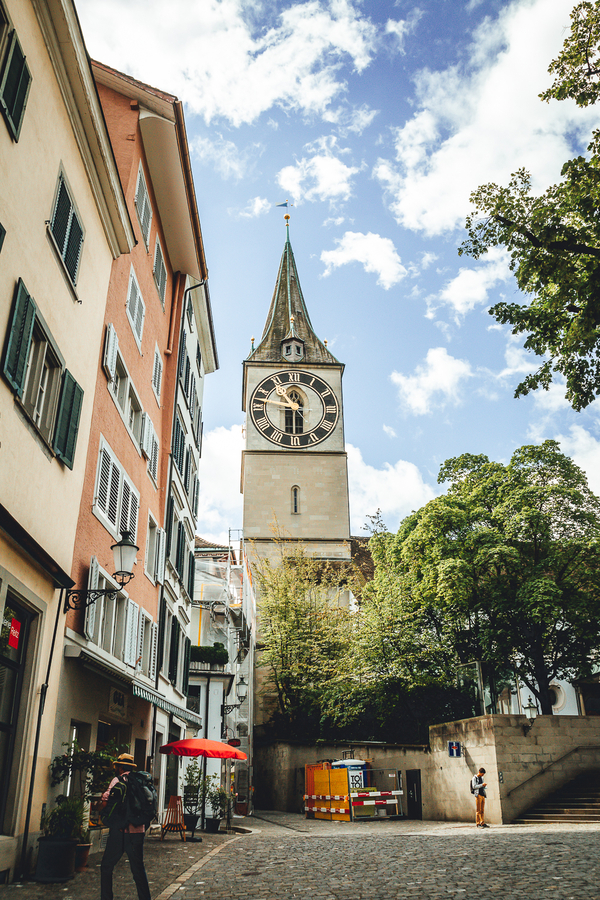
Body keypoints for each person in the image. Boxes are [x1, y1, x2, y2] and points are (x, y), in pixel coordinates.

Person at [100, 753, 151, 900]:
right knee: (138, 870)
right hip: (137, 831)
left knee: (107, 867)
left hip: (120, 831)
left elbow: (105, 801)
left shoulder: (117, 780)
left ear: (120, 767)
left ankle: (106, 897)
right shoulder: (140, 781)